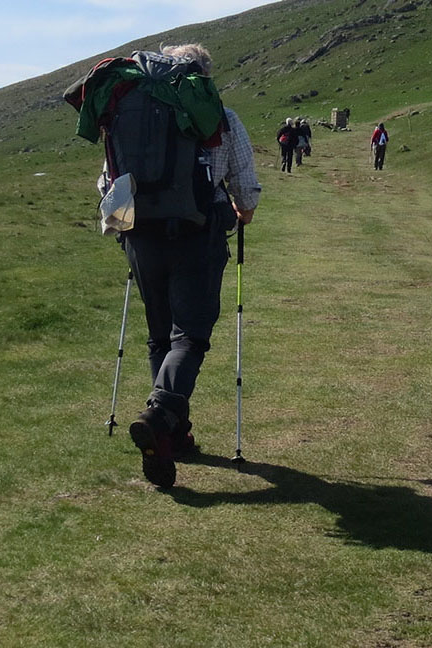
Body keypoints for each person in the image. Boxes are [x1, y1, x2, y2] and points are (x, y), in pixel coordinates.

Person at [119, 44, 261, 488]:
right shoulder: (219, 114)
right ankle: (161, 413)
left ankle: (172, 436)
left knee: (160, 335)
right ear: (202, 75)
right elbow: (246, 191)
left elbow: (109, 183)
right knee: (190, 337)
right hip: (198, 237)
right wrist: (240, 211)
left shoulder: (130, 117)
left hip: (142, 240)